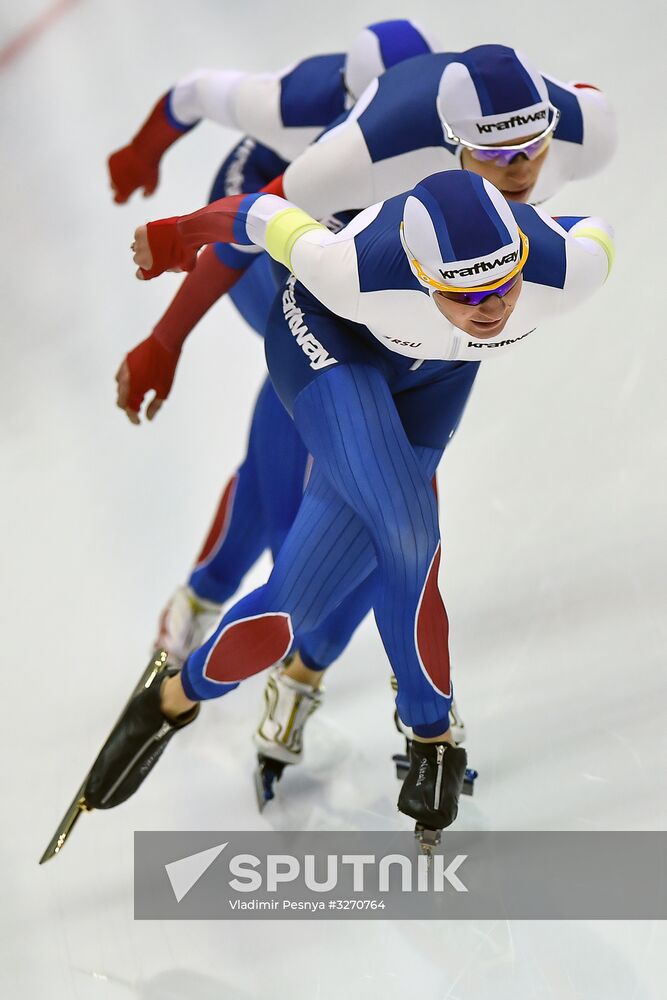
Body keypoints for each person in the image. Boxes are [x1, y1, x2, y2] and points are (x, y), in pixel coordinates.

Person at [114, 43, 616, 777]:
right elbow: (258, 214)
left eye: (502, 287)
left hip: (432, 364)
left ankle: (191, 695)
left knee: (311, 585)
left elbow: (590, 225)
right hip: (326, 327)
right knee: (402, 525)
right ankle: (428, 733)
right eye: (465, 294)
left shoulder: (561, 268)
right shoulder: (348, 236)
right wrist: (170, 279)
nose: (490, 309)